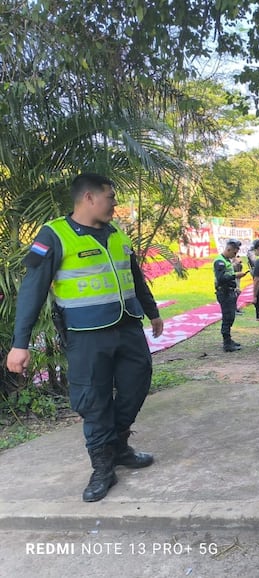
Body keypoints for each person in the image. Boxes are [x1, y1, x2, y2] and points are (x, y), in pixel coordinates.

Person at [5, 173, 164, 502]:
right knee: (93, 400)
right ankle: (103, 466)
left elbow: (134, 275)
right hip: (86, 335)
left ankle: (117, 444)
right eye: (110, 197)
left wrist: (152, 311)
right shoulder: (55, 235)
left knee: (137, 383)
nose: (115, 203)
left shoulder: (117, 233)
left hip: (128, 327)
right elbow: (32, 290)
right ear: (89, 198)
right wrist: (20, 343)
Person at [214, 239, 249, 352]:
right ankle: (227, 343)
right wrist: (235, 275)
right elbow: (221, 278)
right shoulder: (219, 261)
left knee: (231, 316)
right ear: (228, 249)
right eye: (234, 253)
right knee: (227, 317)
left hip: (230, 291)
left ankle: (228, 340)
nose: (235, 255)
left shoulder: (226, 260)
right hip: (224, 293)